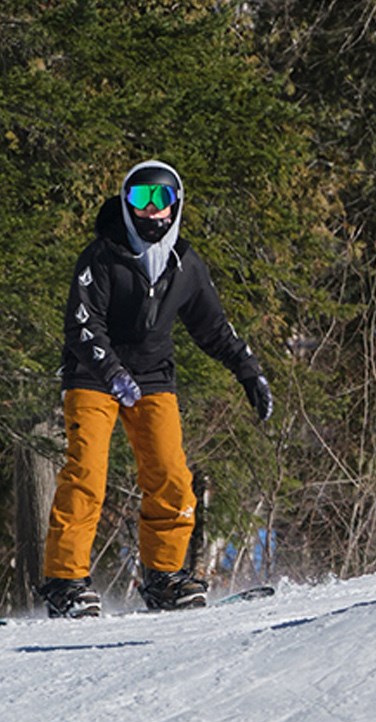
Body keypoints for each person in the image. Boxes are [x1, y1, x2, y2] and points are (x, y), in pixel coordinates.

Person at [36, 160, 274, 618]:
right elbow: (82, 326)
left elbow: (215, 330)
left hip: (152, 377)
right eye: (140, 200)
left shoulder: (185, 265)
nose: (151, 212)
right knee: (86, 473)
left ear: (176, 205)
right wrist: (112, 372)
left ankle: (164, 577)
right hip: (92, 374)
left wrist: (249, 372)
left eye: (160, 200)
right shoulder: (101, 257)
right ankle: (65, 581)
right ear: (126, 206)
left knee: (170, 475)